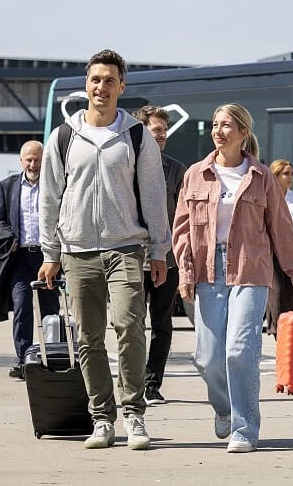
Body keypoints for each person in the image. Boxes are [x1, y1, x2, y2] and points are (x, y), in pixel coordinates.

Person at [37, 49, 171, 451]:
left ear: (121, 86)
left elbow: (153, 194)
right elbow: (50, 198)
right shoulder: (63, 137)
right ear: (86, 84)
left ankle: (134, 413)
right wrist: (50, 252)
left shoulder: (136, 134)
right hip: (77, 251)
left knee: (130, 326)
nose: (101, 86)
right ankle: (102, 419)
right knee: (88, 339)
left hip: (125, 248)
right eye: (95, 79)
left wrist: (159, 250)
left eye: (110, 80)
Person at [173, 104, 293, 453]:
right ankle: (224, 408)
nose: (219, 131)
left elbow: (280, 229)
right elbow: (183, 230)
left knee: (239, 351)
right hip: (207, 269)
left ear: (243, 133)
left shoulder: (261, 177)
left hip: (251, 268)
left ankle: (244, 428)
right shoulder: (196, 174)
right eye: (215, 125)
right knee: (207, 357)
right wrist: (185, 272)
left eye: (227, 125)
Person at [131, 105, 187, 406]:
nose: (163, 134)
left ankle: (152, 385)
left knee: (162, 325)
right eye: (157, 130)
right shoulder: (125, 166)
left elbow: (183, 217)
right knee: (132, 323)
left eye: (165, 130)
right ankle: (133, 383)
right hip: (132, 259)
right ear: (143, 131)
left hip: (167, 260)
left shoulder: (176, 169)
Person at [0, 140, 58, 379]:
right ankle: (23, 361)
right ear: (21, 161)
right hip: (20, 258)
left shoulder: (54, 184)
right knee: (22, 308)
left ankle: (52, 357)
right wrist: (8, 236)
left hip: (48, 257)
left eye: (37, 159)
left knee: (51, 311)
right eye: (28, 159)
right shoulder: (7, 186)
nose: (33, 164)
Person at [269, 159, 293, 232]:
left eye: (292, 174)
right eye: (286, 173)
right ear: (275, 175)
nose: (290, 177)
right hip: (269, 242)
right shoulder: (265, 197)